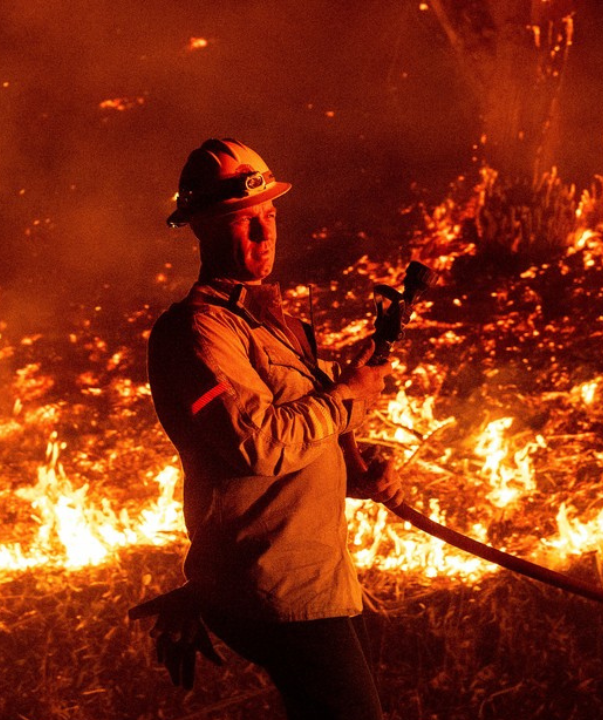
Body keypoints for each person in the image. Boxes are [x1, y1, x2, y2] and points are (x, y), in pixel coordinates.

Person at [136, 138, 404, 720]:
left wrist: (359, 475)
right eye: (242, 221)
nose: (264, 234)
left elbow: (303, 441)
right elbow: (258, 444)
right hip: (276, 589)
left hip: (320, 577)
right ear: (202, 227)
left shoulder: (275, 323)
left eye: (269, 216)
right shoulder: (197, 334)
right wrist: (348, 397)